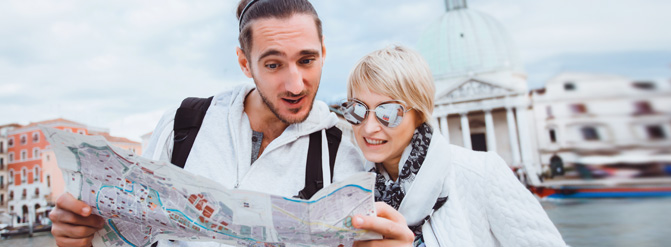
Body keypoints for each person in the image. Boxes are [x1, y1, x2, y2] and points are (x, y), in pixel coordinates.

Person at [48, 1, 413, 246]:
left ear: (323, 52)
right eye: (273, 64)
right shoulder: (184, 123)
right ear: (244, 63)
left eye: (307, 60)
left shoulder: (347, 150)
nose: (295, 84)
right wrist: (79, 236)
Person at [341, 45, 567, 246]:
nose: (369, 127)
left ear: (419, 114)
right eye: (357, 109)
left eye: (388, 112)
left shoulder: (483, 173)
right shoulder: (349, 188)